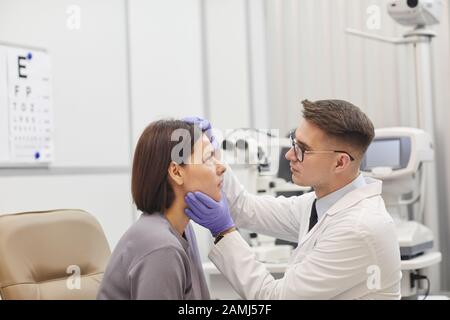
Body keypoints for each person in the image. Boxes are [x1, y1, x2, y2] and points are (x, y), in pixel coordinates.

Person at [184, 99, 402, 299]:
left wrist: (224, 233)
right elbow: (244, 208)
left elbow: (275, 298)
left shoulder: (359, 228)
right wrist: (214, 150)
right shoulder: (320, 204)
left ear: (340, 163)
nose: (289, 155)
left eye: (303, 149)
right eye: (293, 143)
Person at [97, 119, 226, 300]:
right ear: (176, 172)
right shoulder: (162, 247)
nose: (222, 167)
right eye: (208, 158)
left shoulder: (182, 229)